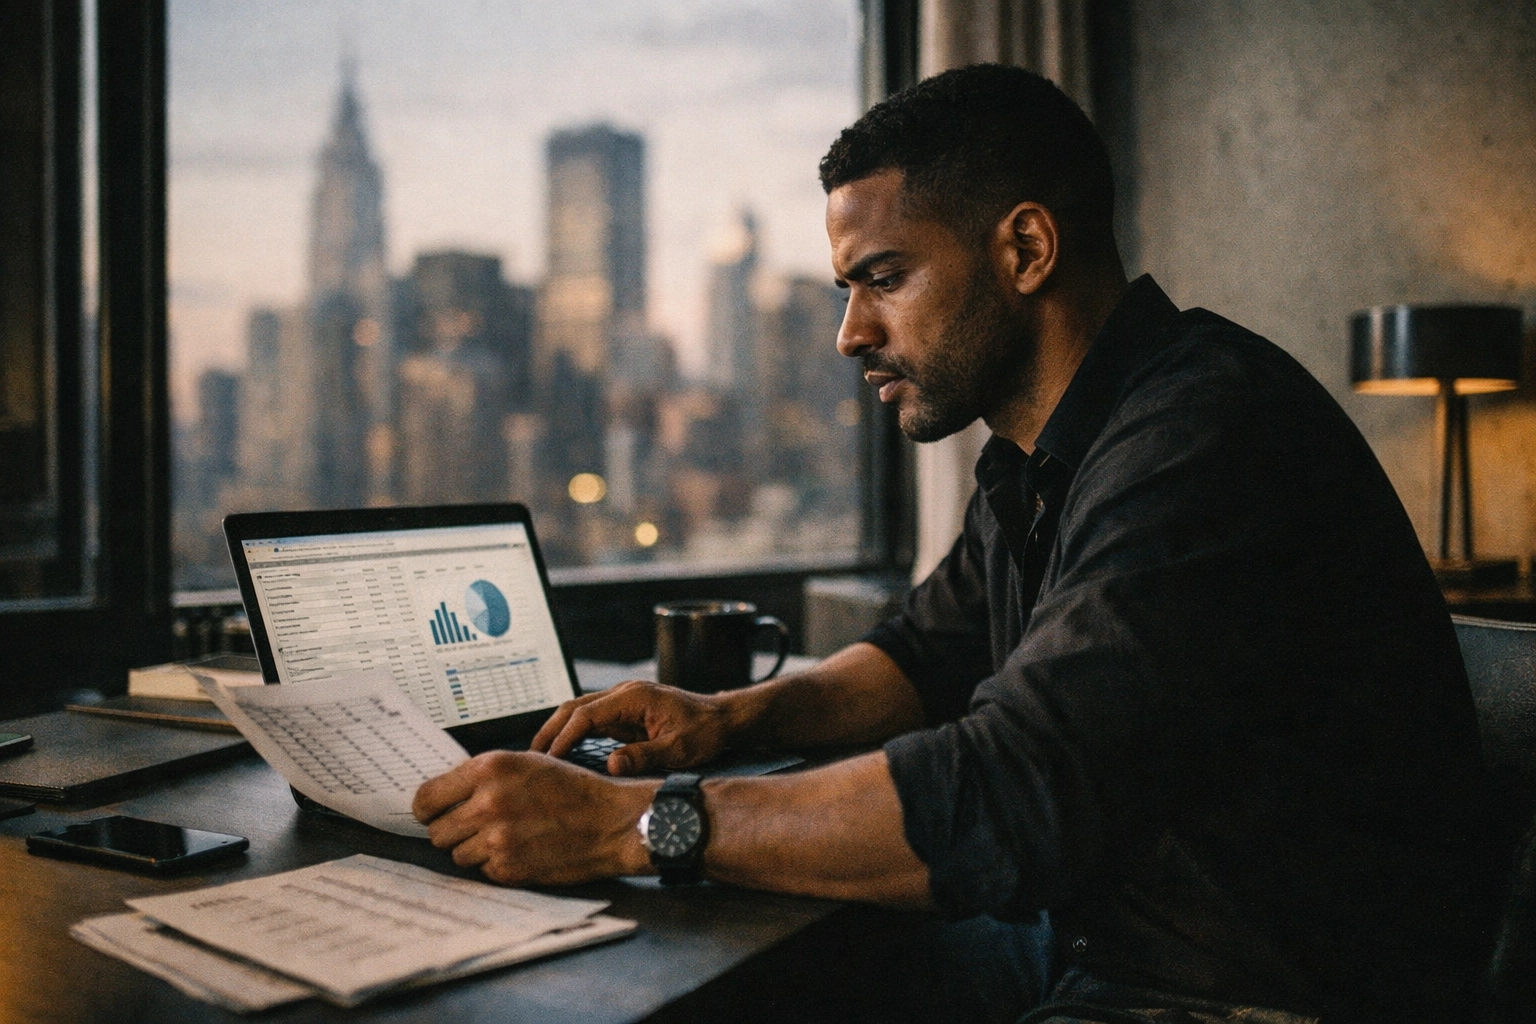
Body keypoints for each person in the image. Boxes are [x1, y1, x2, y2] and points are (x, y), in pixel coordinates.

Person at [413, 65, 1502, 1023]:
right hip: (1090, 944)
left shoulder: (1204, 439)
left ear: (1026, 247)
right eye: (847, 290)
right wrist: (726, 720)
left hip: (1252, 992)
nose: (850, 334)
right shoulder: (1038, 453)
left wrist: (628, 826)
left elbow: (1008, 792)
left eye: (884, 278)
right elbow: (926, 654)